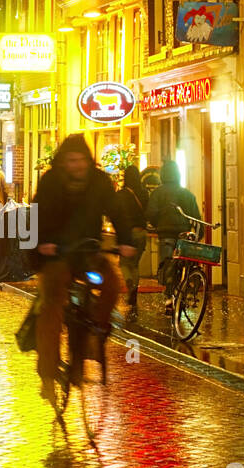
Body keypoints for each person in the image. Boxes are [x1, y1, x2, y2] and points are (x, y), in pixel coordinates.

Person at [30, 134, 136, 403]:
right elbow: (37, 213)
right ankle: (47, 372)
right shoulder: (51, 181)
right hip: (58, 253)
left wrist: (126, 240)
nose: (77, 165)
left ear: (88, 161)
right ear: (63, 162)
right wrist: (43, 242)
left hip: (88, 252)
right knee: (52, 305)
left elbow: (117, 211)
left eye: (81, 160)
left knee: (112, 284)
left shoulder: (100, 181)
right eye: (71, 160)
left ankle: (94, 334)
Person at [144, 159, 201, 314]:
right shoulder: (187, 194)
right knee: (182, 263)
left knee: (168, 264)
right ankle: (183, 291)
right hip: (183, 234)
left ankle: (169, 298)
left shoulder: (157, 193)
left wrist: (158, 224)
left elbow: (150, 213)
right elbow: (196, 217)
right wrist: (198, 235)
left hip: (166, 234)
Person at [114, 165, 149, 318]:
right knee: (135, 264)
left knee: (123, 263)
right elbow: (148, 211)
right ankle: (134, 289)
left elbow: (116, 213)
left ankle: (129, 282)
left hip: (127, 232)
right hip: (142, 232)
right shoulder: (144, 193)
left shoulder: (121, 194)